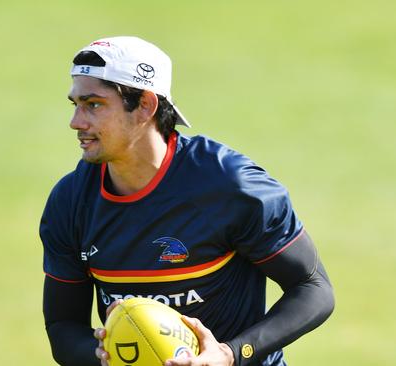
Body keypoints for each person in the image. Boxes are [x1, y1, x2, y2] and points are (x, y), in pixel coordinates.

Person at [40, 36, 334, 366]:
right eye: (75, 104)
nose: (76, 121)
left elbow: (312, 288)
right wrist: (105, 358)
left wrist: (229, 354)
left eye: (94, 104)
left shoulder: (231, 187)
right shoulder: (70, 202)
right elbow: (63, 326)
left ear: (146, 106)